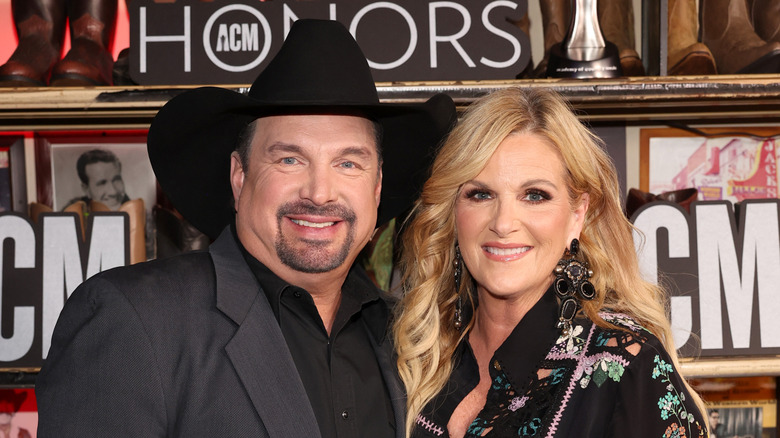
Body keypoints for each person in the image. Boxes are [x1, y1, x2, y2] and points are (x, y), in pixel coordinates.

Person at [35, 19, 456, 437]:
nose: (320, 192)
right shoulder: (134, 319)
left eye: (348, 163)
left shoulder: (409, 336)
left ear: (377, 187)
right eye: (290, 159)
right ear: (240, 177)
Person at [393, 87, 708, 437]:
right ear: (453, 212)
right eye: (480, 194)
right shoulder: (416, 355)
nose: (503, 222)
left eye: (535, 196)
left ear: (577, 215)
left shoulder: (627, 367)